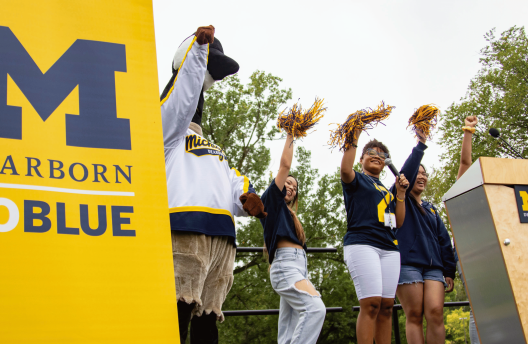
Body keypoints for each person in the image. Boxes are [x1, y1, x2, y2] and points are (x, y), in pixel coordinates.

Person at [160, 26, 267, 344]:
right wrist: (195, 55)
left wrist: (246, 196)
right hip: (186, 226)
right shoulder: (167, 134)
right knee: (178, 310)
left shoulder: (215, 149)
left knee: (208, 319)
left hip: (223, 238)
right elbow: (180, 103)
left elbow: (235, 180)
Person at [340, 129, 409, 344]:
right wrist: (354, 133)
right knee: (371, 304)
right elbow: (345, 168)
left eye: (382, 154)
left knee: (387, 307)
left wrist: (400, 194)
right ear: (361, 159)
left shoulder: (387, 190)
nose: (376, 155)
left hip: (389, 248)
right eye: (370, 151)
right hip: (362, 244)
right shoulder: (356, 180)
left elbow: (398, 222)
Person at [258, 133, 326, 344]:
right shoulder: (271, 201)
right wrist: (291, 134)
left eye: (295, 188)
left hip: (299, 267)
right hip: (285, 266)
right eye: (288, 183)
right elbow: (285, 165)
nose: (291, 187)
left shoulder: (290, 216)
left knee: (288, 332)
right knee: (315, 308)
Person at [392, 130, 456, 344]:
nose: (421, 176)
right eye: (417, 173)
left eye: (424, 174)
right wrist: (420, 145)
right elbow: (407, 171)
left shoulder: (431, 210)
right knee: (415, 315)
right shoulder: (399, 199)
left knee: (436, 312)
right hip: (408, 265)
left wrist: (449, 270)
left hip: (434, 268)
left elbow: (444, 241)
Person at [455, 115, 480, 344]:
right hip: (468, 251)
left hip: (495, 249)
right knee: (479, 306)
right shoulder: (462, 196)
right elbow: (465, 164)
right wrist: (468, 131)